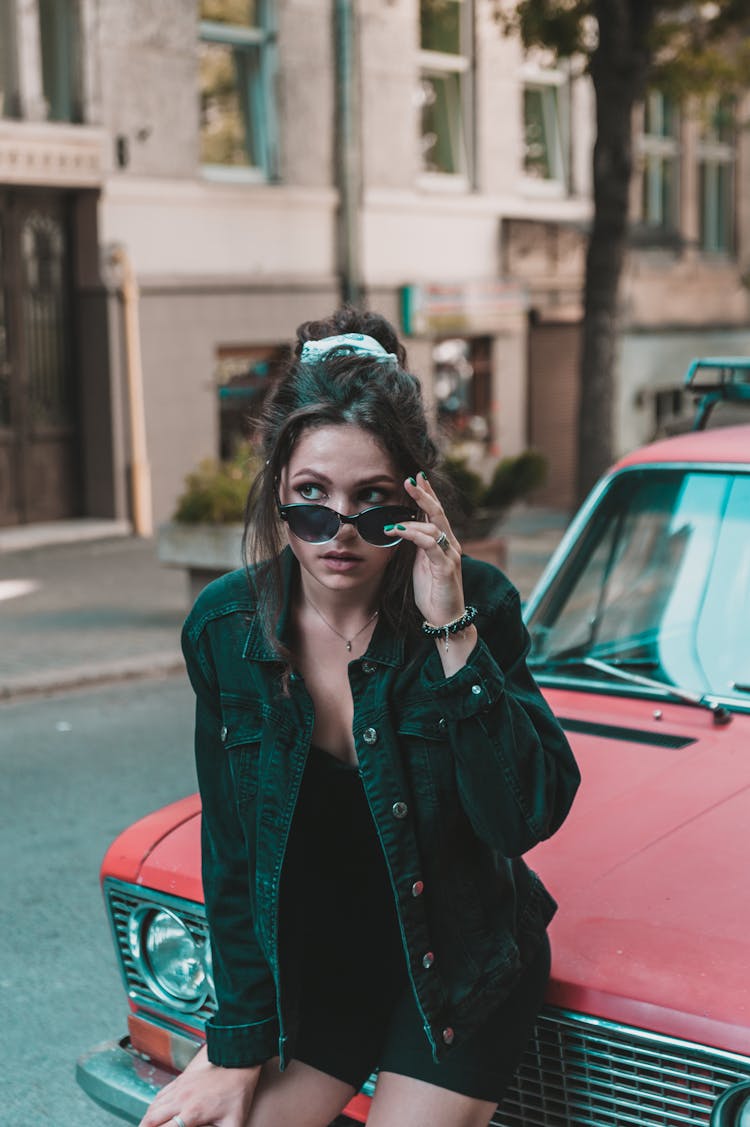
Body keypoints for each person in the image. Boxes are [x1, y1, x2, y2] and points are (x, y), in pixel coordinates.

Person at [140, 309, 580, 1127]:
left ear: (417, 499)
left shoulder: (476, 600)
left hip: (455, 965)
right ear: (279, 487)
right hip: (324, 972)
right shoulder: (225, 630)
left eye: (373, 504)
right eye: (311, 499)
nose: (338, 531)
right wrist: (235, 1047)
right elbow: (232, 858)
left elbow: (526, 814)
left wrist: (451, 625)